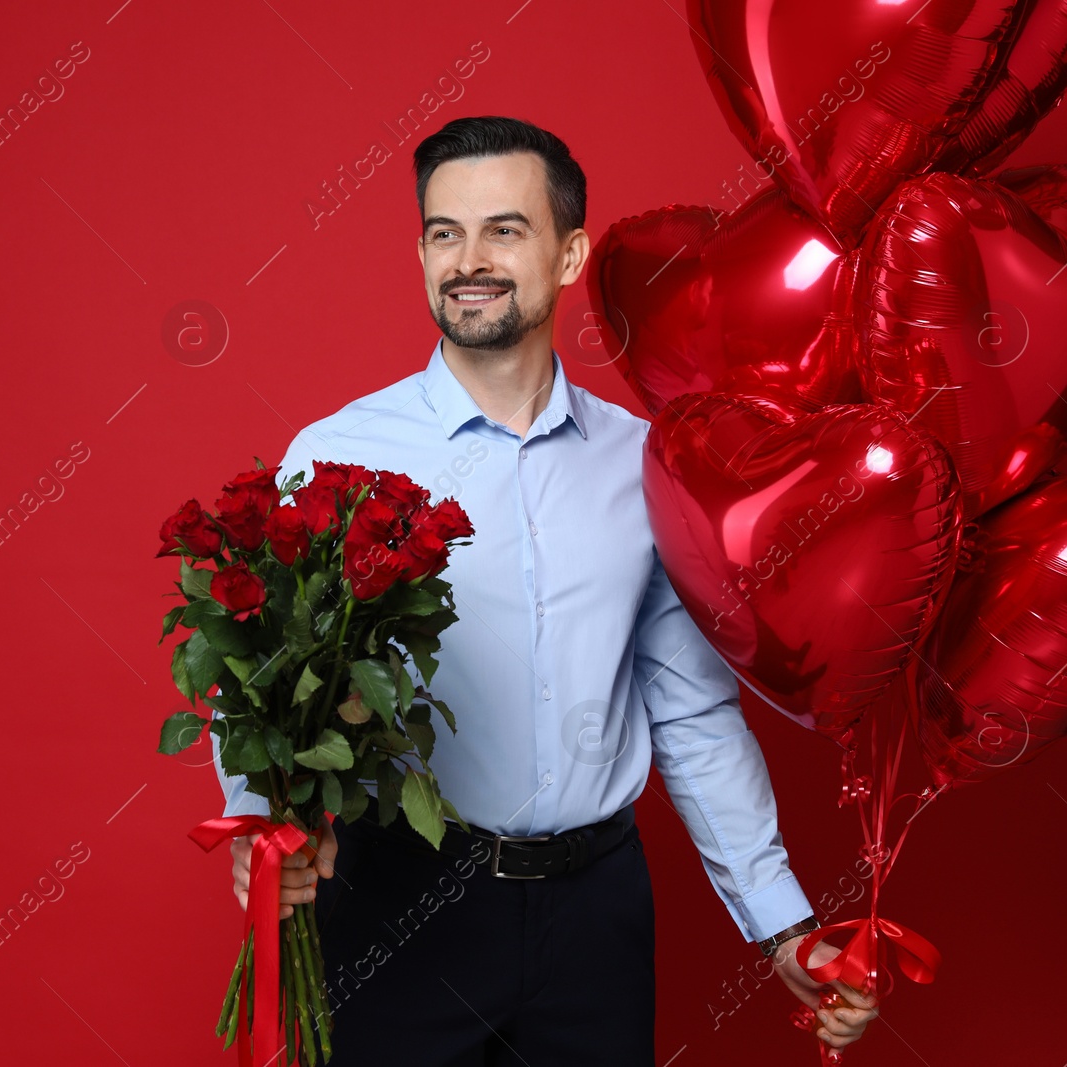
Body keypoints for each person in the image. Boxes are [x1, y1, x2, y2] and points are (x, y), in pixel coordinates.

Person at [213, 115, 878, 1064]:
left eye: (503, 230)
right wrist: (264, 821)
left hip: (595, 917)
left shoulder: (644, 462)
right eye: (445, 232)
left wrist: (783, 926)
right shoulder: (336, 458)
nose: (468, 260)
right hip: (401, 907)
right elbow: (263, 681)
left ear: (570, 256)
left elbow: (689, 711)